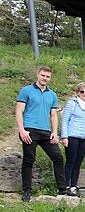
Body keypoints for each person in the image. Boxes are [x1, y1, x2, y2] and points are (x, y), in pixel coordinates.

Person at [16, 66, 67, 201]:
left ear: (50, 78)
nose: (45, 78)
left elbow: (53, 115)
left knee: (58, 158)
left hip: (45, 132)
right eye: (43, 75)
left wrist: (55, 132)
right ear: (38, 75)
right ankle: (27, 191)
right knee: (29, 160)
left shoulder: (52, 95)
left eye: (47, 76)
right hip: (29, 130)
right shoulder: (26, 90)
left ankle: (62, 189)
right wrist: (22, 130)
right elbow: (19, 111)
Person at [60, 82, 85, 196]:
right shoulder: (71, 103)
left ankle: (73, 186)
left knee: (78, 163)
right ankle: (65, 186)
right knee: (70, 161)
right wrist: (64, 136)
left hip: (83, 137)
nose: (84, 93)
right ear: (77, 92)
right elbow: (65, 120)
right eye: (82, 91)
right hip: (72, 136)